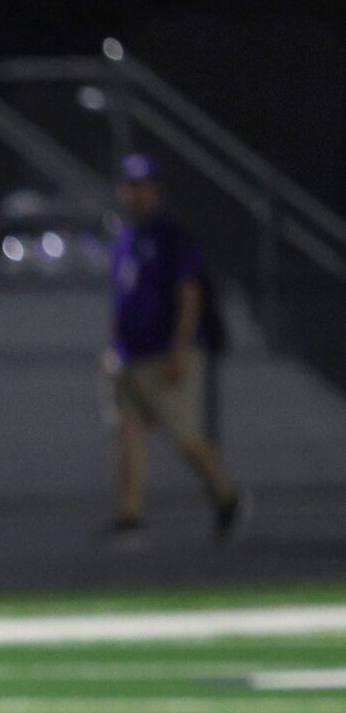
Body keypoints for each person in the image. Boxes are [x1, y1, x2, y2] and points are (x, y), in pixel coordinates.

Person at [105, 155, 245, 543]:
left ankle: (226, 498)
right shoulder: (125, 239)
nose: (133, 194)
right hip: (130, 354)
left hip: (166, 351)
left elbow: (189, 293)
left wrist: (180, 350)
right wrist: (112, 345)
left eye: (141, 186)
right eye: (129, 186)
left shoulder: (171, 235)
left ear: (155, 191)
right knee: (127, 431)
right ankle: (130, 515)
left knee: (186, 437)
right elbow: (121, 299)